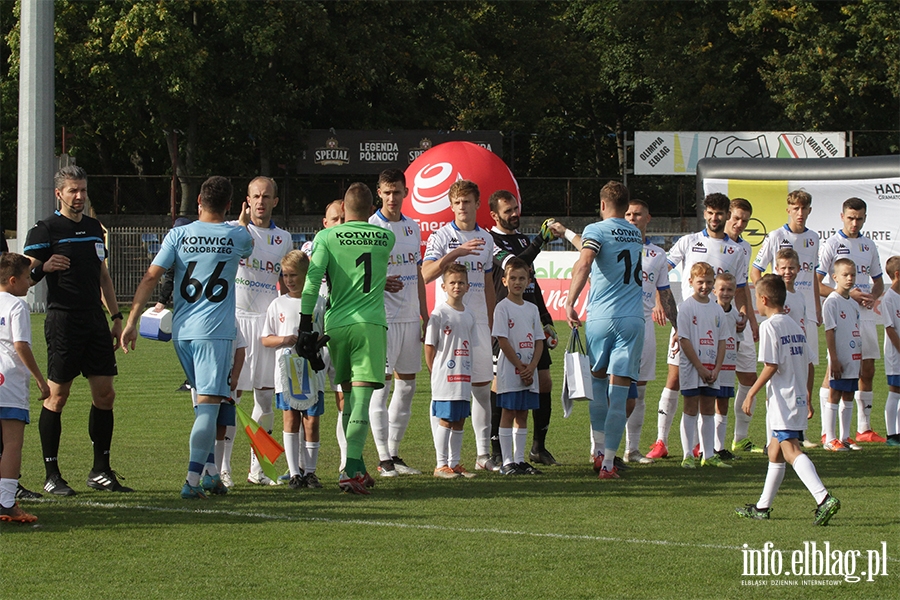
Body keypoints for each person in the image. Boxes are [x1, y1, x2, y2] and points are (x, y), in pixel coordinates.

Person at [121, 176, 253, 498]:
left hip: (182, 332)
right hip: (215, 334)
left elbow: (152, 276)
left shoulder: (178, 234)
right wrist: (243, 221)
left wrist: (131, 320)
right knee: (209, 407)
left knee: (202, 406)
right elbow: (246, 247)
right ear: (228, 206)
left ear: (198, 203)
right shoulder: (236, 234)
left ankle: (210, 475)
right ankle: (192, 483)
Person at [24, 165, 131, 495]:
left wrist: (116, 317)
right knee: (57, 397)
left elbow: (103, 277)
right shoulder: (45, 230)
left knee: (105, 394)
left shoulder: (94, 228)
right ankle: (51, 474)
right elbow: (21, 277)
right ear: (59, 193)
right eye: (73, 190)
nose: (80, 196)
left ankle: (100, 470)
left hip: (95, 321)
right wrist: (44, 266)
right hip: (63, 320)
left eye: (83, 190)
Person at [297, 182, 394, 495]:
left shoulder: (326, 236)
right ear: (370, 209)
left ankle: (357, 466)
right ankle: (350, 469)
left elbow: (312, 284)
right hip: (370, 324)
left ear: (343, 210)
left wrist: (303, 326)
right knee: (362, 401)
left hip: (336, 325)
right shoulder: (386, 237)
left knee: (348, 398)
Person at [646, 193, 746, 460]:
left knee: (714, 383)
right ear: (705, 213)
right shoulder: (689, 242)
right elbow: (660, 270)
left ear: (727, 215)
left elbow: (742, 287)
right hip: (686, 321)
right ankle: (661, 441)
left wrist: (745, 313)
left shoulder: (737, 250)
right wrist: (659, 301)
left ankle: (707, 446)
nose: (715, 218)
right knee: (675, 378)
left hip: (718, 323)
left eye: (720, 213)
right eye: (711, 213)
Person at [735, 274, 840, 526]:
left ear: (764, 299)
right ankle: (762, 507)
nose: (755, 307)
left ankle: (823, 497)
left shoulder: (770, 326)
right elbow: (810, 363)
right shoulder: (795, 325)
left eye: (755, 301)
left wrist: (750, 392)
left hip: (783, 399)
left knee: (790, 449)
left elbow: (771, 365)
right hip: (794, 397)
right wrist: (808, 395)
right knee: (775, 451)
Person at [565, 180, 644, 479]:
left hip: (600, 317)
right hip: (632, 319)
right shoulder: (635, 233)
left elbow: (585, 263)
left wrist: (571, 302)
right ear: (626, 207)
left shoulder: (595, 231)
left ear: (601, 205)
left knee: (598, 385)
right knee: (620, 393)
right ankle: (609, 464)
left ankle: (597, 451)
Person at [422, 180, 497, 471]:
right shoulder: (442, 236)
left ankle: (482, 456)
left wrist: (490, 320)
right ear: (451, 206)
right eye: (457, 203)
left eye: (467, 202)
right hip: (449, 324)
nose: (462, 207)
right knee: (443, 391)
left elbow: (488, 282)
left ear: (477, 204)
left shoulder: (487, 239)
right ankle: (442, 462)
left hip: (477, 322)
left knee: (481, 389)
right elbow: (426, 274)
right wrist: (456, 253)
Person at [488, 191, 559, 466]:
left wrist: (546, 317)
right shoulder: (490, 241)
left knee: (544, 382)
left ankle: (538, 447)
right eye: (508, 210)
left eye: (516, 208)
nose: (515, 213)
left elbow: (532, 282)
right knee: (501, 385)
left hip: (530, 319)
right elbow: (516, 265)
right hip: (506, 320)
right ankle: (496, 451)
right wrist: (541, 240)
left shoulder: (522, 239)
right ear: (495, 215)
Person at [230, 177, 293, 486]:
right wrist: (239, 229)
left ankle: (258, 470)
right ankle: (223, 469)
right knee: (231, 397)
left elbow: (288, 281)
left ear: (275, 201)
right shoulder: (235, 229)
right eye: (255, 196)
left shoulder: (284, 238)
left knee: (265, 400)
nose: (260, 201)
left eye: (266, 196)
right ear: (248, 199)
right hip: (238, 322)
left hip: (268, 326)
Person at [367, 169, 427, 477]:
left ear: (406, 192)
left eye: (398, 192)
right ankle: (382, 458)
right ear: (379, 192)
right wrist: (379, 283)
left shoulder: (412, 228)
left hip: (410, 318)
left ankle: (393, 452)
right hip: (383, 319)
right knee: (382, 387)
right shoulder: (370, 228)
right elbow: (359, 277)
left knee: (407, 388)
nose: (392, 197)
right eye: (387, 192)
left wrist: (425, 314)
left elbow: (416, 272)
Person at [750, 190, 821, 448]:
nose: (800, 213)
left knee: (805, 364)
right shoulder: (776, 237)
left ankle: (798, 427)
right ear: (788, 210)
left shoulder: (813, 239)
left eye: (804, 208)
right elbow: (756, 269)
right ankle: (776, 434)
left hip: (804, 311)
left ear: (809, 210)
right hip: (780, 308)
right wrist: (766, 294)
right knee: (779, 367)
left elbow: (812, 275)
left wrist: (817, 308)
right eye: (795, 208)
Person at [816, 197, 885, 444]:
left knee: (867, 369)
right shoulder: (832, 244)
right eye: (850, 218)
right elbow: (817, 283)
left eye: (859, 218)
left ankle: (863, 429)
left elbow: (877, 281)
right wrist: (845, 294)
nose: (855, 223)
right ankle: (828, 431)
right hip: (842, 313)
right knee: (836, 369)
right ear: (842, 216)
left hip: (864, 315)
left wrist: (872, 298)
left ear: (865, 218)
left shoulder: (869, 245)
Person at [262, 250, 325, 489]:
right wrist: (285, 340)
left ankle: (310, 472)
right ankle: (294, 473)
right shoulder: (277, 303)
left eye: (293, 275)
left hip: (312, 370)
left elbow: (326, 332)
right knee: (290, 419)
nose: (289, 280)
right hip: (287, 371)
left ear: (306, 275)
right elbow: (265, 339)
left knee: (311, 420)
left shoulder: (318, 302)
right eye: (285, 275)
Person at [622, 199, 677, 464]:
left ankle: (631, 450)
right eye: (628, 214)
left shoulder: (657, 254)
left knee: (640, 391)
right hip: (619, 323)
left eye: (638, 214)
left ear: (648, 218)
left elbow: (664, 292)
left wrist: (678, 326)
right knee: (613, 389)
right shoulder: (613, 247)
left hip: (644, 325)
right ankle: (598, 449)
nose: (633, 218)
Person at [0, 253, 50, 523]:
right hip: (7, 379)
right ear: (12, 280)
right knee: (12, 444)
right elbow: (21, 345)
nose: (30, 283)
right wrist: (41, 380)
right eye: (26, 278)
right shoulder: (16, 307)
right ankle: (7, 503)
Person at [301, 200, 348, 471]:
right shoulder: (313, 245)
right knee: (306, 401)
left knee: (344, 398)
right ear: (325, 223)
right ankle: (303, 467)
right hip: (316, 333)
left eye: (344, 218)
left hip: (340, 330)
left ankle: (345, 461)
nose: (340, 224)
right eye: (335, 219)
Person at [493, 258, 545, 475]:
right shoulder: (502, 308)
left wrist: (532, 366)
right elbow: (502, 341)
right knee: (508, 411)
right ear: (504, 281)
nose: (517, 282)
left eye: (522, 278)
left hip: (529, 372)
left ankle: (520, 460)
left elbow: (539, 340)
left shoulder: (532, 309)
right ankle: (506, 462)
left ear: (529, 281)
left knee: (523, 413)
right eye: (513, 278)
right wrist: (520, 366)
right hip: (510, 370)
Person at [425, 263, 477, 479]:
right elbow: (429, 346)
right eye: (452, 283)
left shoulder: (470, 315)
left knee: (459, 419)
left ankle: (454, 463)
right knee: (445, 419)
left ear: (467, 286)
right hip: (445, 376)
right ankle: (440, 465)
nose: (457, 286)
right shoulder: (438, 314)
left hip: (463, 376)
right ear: (443, 286)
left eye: (461, 282)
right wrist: (434, 370)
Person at [676, 262, 729, 469]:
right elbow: (684, 340)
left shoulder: (717, 309)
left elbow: (722, 340)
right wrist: (699, 367)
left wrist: (716, 368)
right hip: (692, 368)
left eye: (709, 282)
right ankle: (688, 454)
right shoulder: (687, 307)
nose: (705, 286)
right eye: (700, 282)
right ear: (691, 282)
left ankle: (708, 454)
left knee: (708, 410)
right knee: (690, 409)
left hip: (711, 369)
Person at [723, 198, 759, 451]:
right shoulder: (703, 243)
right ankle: (703, 444)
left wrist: (750, 317)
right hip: (713, 322)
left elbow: (743, 286)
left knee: (749, 377)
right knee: (714, 382)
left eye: (744, 220)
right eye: (736, 218)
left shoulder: (745, 247)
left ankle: (740, 438)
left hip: (739, 320)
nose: (739, 224)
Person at [821, 258, 862, 452]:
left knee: (849, 394)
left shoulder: (853, 304)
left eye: (852, 274)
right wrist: (834, 359)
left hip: (853, 357)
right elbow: (829, 331)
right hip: (839, 358)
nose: (849, 278)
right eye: (845, 275)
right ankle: (830, 438)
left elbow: (855, 330)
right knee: (834, 394)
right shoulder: (832, 302)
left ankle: (845, 437)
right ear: (835, 277)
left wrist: (858, 356)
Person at [152, 216, 193, 393]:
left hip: (186, 305)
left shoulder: (178, 253)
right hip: (204, 304)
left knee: (187, 342)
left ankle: (192, 379)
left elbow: (168, 278)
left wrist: (161, 302)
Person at [708, 272, 739, 461]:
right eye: (722, 289)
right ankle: (705, 446)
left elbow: (737, 340)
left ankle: (719, 447)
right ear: (714, 291)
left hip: (728, 366)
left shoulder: (735, 314)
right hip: (711, 364)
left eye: (729, 289)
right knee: (707, 404)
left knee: (723, 405)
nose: (725, 293)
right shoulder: (711, 311)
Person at [880, 256, 900, 446]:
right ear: (897, 274)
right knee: (895, 391)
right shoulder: (888, 299)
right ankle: (891, 434)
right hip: (896, 355)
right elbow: (890, 328)